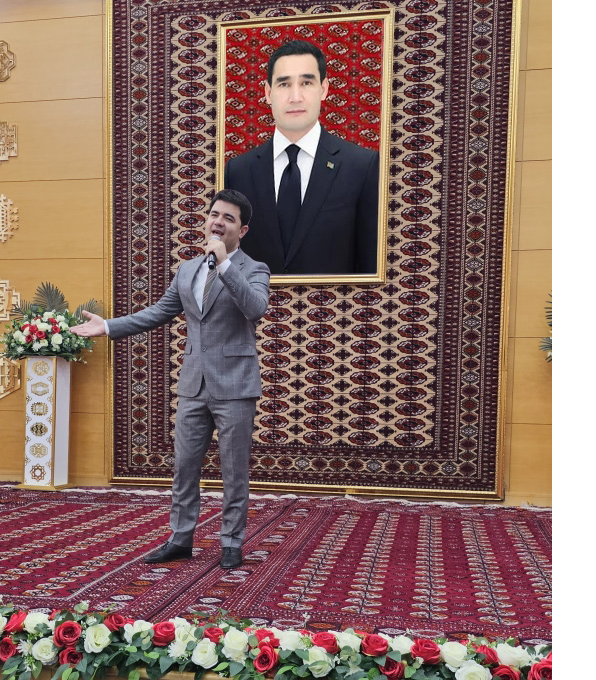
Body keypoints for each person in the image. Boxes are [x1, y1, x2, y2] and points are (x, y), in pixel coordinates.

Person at [71, 189, 270, 569]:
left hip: (235, 386)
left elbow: (255, 308)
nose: (218, 222)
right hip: (193, 385)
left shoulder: (254, 268)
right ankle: (180, 539)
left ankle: (231, 543)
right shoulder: (188, 270)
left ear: (241, 230)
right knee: (184, 467)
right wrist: (108, 326)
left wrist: (224, 263)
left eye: (228, 218)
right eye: (214, 214)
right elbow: (159, 312)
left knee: (234, 471)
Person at [224, 39, 379, 276]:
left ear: (324, 89)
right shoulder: (237, 171)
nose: (295, 97)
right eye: (284, 84)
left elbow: (371, 266)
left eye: (306, 82)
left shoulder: (362, 166)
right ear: (268, 93)